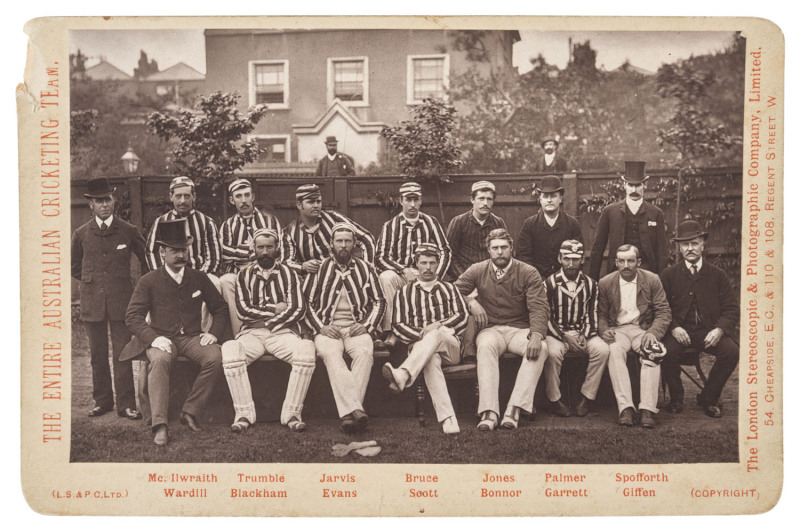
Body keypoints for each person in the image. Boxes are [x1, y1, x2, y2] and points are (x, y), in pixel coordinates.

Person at [121, 219, 228, 446]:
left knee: (215, 356)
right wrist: (153, 338)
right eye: (174, 250)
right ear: (162, 252)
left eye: (183, 250)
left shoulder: (199, 277)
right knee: (159, 361)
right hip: (161, 338)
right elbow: (132, 316)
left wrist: (214, 334)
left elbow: (220, 308)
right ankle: (160, 424)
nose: (180, 255)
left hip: (191, 337)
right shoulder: (148, 281)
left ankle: (190, 411)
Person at [220, 228, 316, 433]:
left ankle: (292, 414)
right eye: (260, 247)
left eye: (269, 247)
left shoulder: (289, 273)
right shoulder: (243, 274)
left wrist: (269, 323)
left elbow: (298, 308)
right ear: (253, 248)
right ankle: (244, 414)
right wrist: (275, 308)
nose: (264, 251)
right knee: (230, 348)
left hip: (281, 333)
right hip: (252, 334)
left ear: (277, 248)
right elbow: (243, 311)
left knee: (306, 348)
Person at [454, 229, 549, 431]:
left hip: (519, 328)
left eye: (504, 247)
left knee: (540, 347)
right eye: (495, 248)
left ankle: (515, 408)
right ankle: (489, 412)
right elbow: (452, 292)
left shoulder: (528, 272)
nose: (499, 252)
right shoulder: (477, 269)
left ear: (511, 249)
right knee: (486, 346)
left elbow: (539, 306)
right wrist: (471, 302)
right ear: (488, 250)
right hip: (491, 329)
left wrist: (537, 334)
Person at [71, 177, 145, 420]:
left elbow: (147, 260)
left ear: (114, 201)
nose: (104, 205)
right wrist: (93, 282)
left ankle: (126, 404)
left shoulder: (128, 230)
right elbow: (74, 266)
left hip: (122, 302)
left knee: (123, 353)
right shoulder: (81, 234)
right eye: (98, 201)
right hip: (92, 303)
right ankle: (102, 401)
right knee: (97, 354)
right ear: (90, 205)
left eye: (107, 200)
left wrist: (138, 288)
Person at [305, 223, 386, 434]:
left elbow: (379, 301)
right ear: (331, 244)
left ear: (354, 244)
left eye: (347, 241)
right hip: (327, 328)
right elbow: (307, 303)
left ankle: (349, 414)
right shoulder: (320, 268)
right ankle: (355, 410)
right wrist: (321, 327)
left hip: (355, 327)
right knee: (332, 355)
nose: (343, 245)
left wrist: (366, 325)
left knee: (365, 354)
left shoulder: (366, 268)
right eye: (339, 241)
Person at [382, 243, 469, 435]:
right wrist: (424, 333)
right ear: (416, 264)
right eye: (423, 263)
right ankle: (448, 419)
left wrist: (437, 326)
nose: (428, 267)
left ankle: (404, 373)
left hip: (450, 347)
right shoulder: (404, 293)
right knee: (430, 359)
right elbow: (398, 325)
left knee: (436, 334)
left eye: (432, 262)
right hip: (421, 350)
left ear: (438, 264)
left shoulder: (449, 288)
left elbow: (462, 316)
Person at [659, 220, 739, 418]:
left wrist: (719, 329)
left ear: (703, 244)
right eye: (685, 244)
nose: (690, 248)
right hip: (679, 331)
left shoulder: (717, 275)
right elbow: (660, 308)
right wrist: (674, 328)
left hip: (708, 331)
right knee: (666, 352)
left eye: (694, 243)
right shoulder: (669, 275)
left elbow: (731, 309)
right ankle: (676, 398)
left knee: (731, 352)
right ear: (679, 247)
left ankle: (709, 398)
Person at [597, 245, 671, 429]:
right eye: (621, 261)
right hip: (618, 329)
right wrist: (604, 329)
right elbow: (601, 315)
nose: (626, 265)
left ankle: (647, 409)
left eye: (630, 261)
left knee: (653, 351)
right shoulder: (606, 282)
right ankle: (626, 408)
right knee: (613, 350)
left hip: (642, 329)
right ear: (615, 263)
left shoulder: (652, 280)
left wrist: (653, 334)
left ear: (638, 262)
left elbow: (664, 311)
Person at [376, 182, 452, 348]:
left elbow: (445, 250)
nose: (412, 204)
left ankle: (423, 331)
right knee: (385, 277)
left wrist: (435, 274)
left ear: (420, 201)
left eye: (415, 199)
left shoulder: (431, 222)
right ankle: (391, 331)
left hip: (426, 273)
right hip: (401, 275)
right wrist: (402, 270)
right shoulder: (390, 226)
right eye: (408, 200)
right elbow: (381, 257)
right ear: (401, 201)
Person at [543, 240, 609, 417]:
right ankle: (555, 400)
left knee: (602, 350)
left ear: (582, 260)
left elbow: (593, 313)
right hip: (557, 334)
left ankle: (586, 397)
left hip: (582, 333)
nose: (571, 264)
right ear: (559, 259)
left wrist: (584, 335)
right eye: (566, 259)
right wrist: (564, 336)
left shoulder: (591, 284)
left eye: (575, 259)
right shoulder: (548, 284)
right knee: (551, 354)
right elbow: (545, 315)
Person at [219, 178, 285, 336]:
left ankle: (273, 332)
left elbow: (281, 246)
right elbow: (224, 252)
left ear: (252, 197)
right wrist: (250, 252)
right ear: (231, 200)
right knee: (226, 280)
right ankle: (240, 334)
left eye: (247, 195)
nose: (243, 200)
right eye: (238, 196)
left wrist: (243, 253)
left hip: (267, 268)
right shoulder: (228, 225)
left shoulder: (269, 221)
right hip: (239, 272)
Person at [590, 161, 668, 280]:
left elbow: (662, 251)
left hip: (647, 273)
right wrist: (593, 280)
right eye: (630, 185)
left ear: (645, 185)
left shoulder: (656, 213)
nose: (634, 190)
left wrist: (662, 282)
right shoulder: (610, 211)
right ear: (624, 185)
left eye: (638, 185)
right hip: (617, 272)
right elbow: (598, 248)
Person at [283, 183, 375, 276]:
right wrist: (303, 266)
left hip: (344, 274)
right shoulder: (289, 232)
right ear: (299, 205)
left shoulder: (333, 218)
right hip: (315, 280)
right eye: (311, 202)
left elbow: (367, 239)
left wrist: (366, 268)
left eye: (318, 201)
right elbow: (286, 263)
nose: (316, 205)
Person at [145, 176, 222, 279]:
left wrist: (199, 277)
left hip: (199, 276)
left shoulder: (207, 222)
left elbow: (213, 257)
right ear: (171, 197)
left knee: (215, 282)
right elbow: (152, 252)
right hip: (170, 278)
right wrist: (165, 276)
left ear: (193, 196)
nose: (182, 201)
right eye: (178, 196)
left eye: (186, 196)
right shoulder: (161, 222)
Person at [517, 175, 583, 279]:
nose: (549, 200)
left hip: (564, 280)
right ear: (540, 199)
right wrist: (536, 279)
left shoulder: (572, 224)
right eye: (545, 196)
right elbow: (523, 256)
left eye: (553, 196)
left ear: (560, 198)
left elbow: (578, 255)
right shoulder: (529, 224)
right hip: (537, 280)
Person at [445, 180, 507, 279]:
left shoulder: (498, 223)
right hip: (462, 277)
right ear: (472, 200)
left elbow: (504, 254)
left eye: (489, 199)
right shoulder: (459, 222)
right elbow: (449, 255)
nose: (485, 203)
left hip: (491, 279)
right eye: (481, 198)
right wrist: (465, 278)